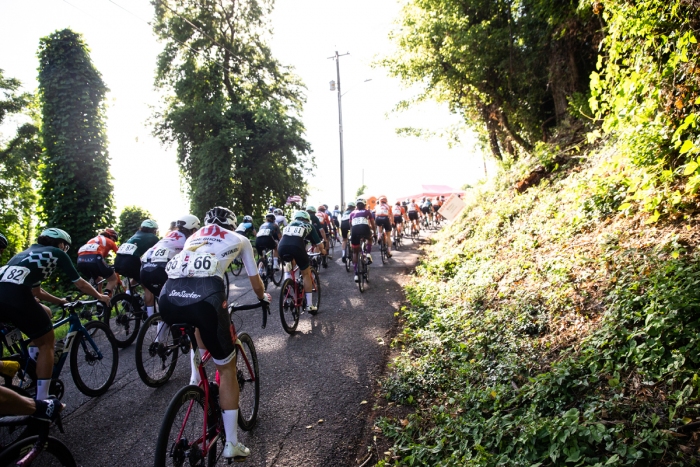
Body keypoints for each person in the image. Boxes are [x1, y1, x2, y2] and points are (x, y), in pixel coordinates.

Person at [159, 206, 271, 460]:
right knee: (227, 368)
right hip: (206, 298)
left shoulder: (192, 237)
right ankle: (232, 443)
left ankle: (194, 380)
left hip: (168, 298)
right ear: (232, 225)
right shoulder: (240, 239)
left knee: (197, 325)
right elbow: (255, 282)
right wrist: (262, 297)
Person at [0, 228, 110, 400]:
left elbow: (37, 292)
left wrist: (60, 301)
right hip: (17, 296)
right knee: (47, 343)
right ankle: (43, 400)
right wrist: (100, 296)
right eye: (65, 247)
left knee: (44, 315)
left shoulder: (25, 254)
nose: (64, 250)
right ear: (60, 243)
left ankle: (33, 371)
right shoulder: (55, 252)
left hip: (4, 296)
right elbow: (80, 284)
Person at [140, 214, 200, 319]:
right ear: (193, 230)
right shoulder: (189, 240)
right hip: (160, 269)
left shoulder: (170, 235)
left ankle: (155, 321)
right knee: (186, 295)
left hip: (144, 269)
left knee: (165, 307)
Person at [278, 210, 326, 311]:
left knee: (289, 263)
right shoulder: (309, 225)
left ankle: (287, 284)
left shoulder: (289, 225)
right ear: (307, 219)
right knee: (306, 274)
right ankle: (309, 305)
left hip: (281, 247)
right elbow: (318, 243)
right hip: (297, 247)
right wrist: (323, 251)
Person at [76, 228, 120, 296]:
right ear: (110, 236)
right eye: (113, 240)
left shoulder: (92, 240)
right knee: (113, 279)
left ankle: (99, 297)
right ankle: (105, 298)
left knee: (99, 279)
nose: (113, 242)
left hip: (80, 261)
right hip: (95, 258)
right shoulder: (109, 241)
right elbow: (120, 253)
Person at [350, 198, 376, 282]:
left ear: (356, 206)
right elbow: (372, 223)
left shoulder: (352, 213)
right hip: (365, 229)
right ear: (364, 205)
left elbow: (350, 224)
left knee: (355, 252)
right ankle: (368, 254)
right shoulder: (367, 212)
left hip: (354, 230)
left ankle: (356, 274)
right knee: (370, 238)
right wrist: (375, 233)